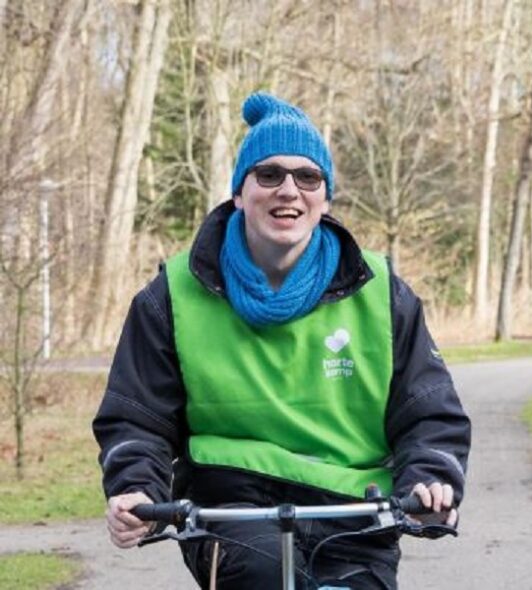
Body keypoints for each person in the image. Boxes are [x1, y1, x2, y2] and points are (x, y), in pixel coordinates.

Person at [93, 92, 471, 590]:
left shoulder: (382, 293)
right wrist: (135, 489)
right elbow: (136, 416)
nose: (288, 190)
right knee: (264, 573)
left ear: (325, 198)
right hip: (231, 508)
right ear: (239, 192)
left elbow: (430, 411)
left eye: (307, 177)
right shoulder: (172, 295)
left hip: (356, 512)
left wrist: (431, 477)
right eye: (269, 174)